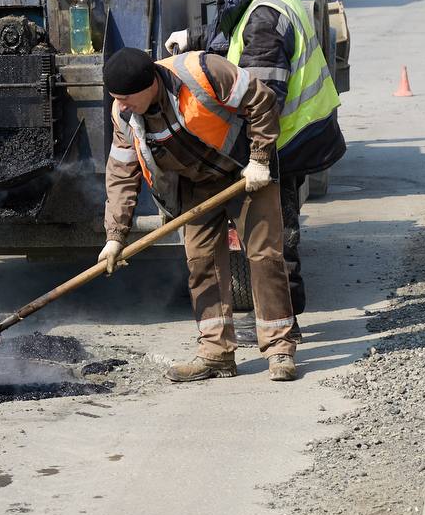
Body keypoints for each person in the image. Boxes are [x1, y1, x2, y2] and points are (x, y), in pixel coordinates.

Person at [167, 0, 346, 317]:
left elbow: (263, 99)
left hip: (292, 134)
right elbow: (233, 36)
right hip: (299, 127)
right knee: (274, 228)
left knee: (275, 233)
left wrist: (254, 156)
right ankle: (282, 315)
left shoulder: (264, 19)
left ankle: (287, 319)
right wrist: (193, 38)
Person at [98, 46, 300, 382]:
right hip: (194, 185)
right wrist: (114, 237)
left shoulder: (204, 72)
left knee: (264, 256)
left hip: (243, 171)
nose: (120, 106)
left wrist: (260, 159)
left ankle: (280, 348)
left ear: (149, 86)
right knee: (200, 262)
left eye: (126, 98)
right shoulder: (124, 115)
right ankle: (216, 354)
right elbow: (121, 172)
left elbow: (261, 100)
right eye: (115, 98)